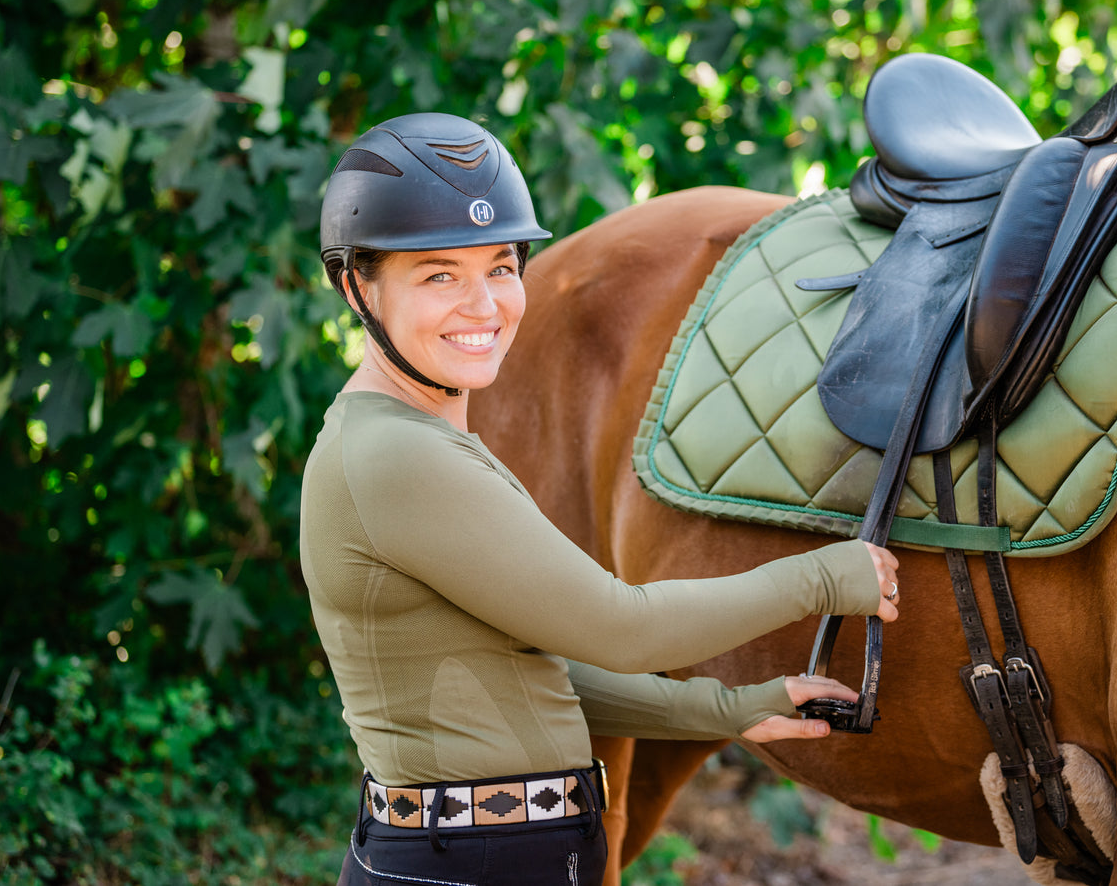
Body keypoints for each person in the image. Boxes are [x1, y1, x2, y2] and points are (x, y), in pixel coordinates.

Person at [300, 112, 901, 886]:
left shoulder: (421, 438)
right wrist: (823, 577)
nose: (484, 306)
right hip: (466, 867)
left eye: (501, 266)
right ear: (357, 284)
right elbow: (620, 628)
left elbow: (533, 674)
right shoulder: (396, 456)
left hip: (493, 856)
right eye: (439, 274)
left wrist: (728, 708)